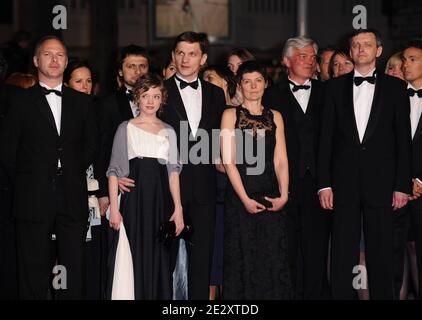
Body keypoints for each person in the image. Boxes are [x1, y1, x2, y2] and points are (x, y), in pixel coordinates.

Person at [0, 35, 97, 299]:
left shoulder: (84, 102)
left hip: (71, 195)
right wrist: (32, 177)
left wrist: (71, 170)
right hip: (32, 197)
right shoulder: (19, 102)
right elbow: (8, 151)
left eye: (59, 55)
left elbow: (90, 145)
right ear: (35, 60)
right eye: (47, 54)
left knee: (72, 271)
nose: (54, 59)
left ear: (66, 62)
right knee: (32, 271)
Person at [318, 29, 412, 299]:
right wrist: (324, 184)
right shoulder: (333, 88)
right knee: (342, 251)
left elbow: (402, 141)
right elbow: (325, 141)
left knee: (382, 251)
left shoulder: (396, 88)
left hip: (383, 183)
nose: (361, 50)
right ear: (350, 51)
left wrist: (401, 185)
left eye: (367, 45)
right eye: (356, 45)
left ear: (378, 51)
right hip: (342, 183)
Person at [262, 36, 330, 299]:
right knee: (285, 249)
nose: (310, 61)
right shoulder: (270, 96)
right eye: (303, 56)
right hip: (283, 186)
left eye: (313, 57)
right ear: (286, 60)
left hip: (320, 186)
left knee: (316, 251)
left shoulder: (328, 93)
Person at [159, 31, 226, 299]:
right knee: (164, 257)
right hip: (166, 187)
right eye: (180, 53)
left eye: (192, 54)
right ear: (173, 56)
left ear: (204, 58)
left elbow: (219, 141)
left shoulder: (215, 94)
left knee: (202, 260)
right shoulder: (159, 91)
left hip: (204, 188)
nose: (185, 59)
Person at [106, 73, 183, 300]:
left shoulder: (169, 130)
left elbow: (173, 173)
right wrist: (114, 209)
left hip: (161, 203)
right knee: (133, 253)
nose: (150, 101)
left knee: (159, 255)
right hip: (133, 202)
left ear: (162, 100)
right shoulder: (125, 128)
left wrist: (178, 209)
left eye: (156, 96)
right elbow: (114, 171)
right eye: (146, 95)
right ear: (137, 98)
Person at [220, 60, 292, 299]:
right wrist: (244, 199)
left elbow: (280, 160)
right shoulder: (230, 115)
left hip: (271, 196)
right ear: (239, 85)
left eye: (258, 81)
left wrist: (284, 195)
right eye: (247, 81)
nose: (253, 86)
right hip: (241, 198)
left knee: (272, 257)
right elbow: (229, 161)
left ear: (266, 83)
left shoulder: (276, 116)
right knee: (242, 258)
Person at [63, 59, 108, 300]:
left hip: (92, 192)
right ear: (67, 84)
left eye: (89, 81)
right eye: (79, 81)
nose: (85, 86)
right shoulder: (58, 111)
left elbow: (101, 154)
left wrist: (103, 193)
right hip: (64, 193)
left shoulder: (98, 109)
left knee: (92, 255)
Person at [96, 45, 150, 218]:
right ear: (120, 71)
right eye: (131, 66)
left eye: (142, 66)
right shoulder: (106, 105)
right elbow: (101, 150)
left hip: (154, 183)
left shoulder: (160, 101)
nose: (138, 71)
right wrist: (103, 193)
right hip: (121, 185)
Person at [201, 64, 238, 300]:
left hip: (235, 195)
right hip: (212, 191)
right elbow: (212, 157)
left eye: (210, 78)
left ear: (226, 82)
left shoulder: (238, 113)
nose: (206, 82)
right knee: (211, 262)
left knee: (231, 262)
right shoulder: (207, 114)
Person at [398, 40, 422, 300]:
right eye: (405, 59)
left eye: (413, 59)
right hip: (399, 191)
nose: (406, 64)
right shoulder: (394, 96)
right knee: (398, 252)